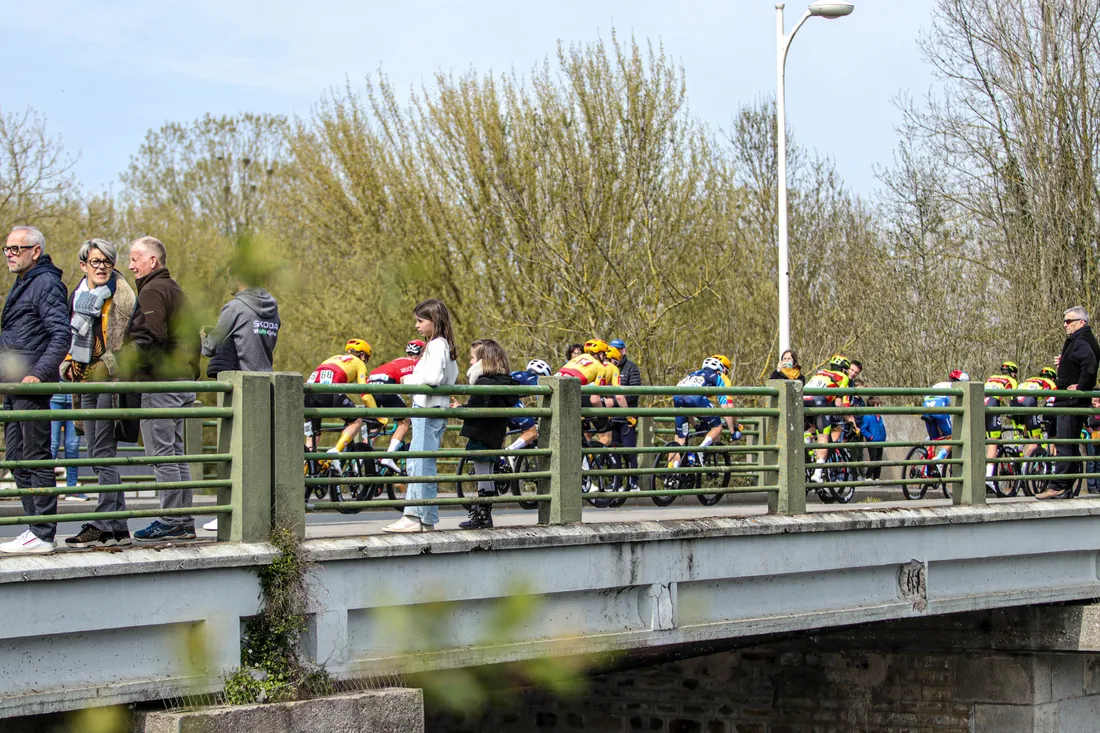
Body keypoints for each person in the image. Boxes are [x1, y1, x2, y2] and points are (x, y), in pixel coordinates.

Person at [59, 239, 138, 548]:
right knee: (97, 454)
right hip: (86, 382)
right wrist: (69, 364)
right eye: (96, 262)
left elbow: (131, 344)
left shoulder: (123, 295)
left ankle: (104, 523)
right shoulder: (78, 295)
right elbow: (70, 337)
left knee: (103, 454)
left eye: (107, 261)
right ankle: (118, 528)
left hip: (110, 382)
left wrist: (107, 364)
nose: (102, 267)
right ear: (84, 266)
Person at [0, 226, 71, 555]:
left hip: (30, 386)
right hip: (13, 386)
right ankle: (34, 530)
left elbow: (60, 335)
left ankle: (42, 531)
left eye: (18, 248)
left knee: (35, 457)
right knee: (16, 458)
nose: (11, 254)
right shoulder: (25, 283)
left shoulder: (45, 283)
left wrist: (39, 375)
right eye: (7, 249)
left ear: (36, 251)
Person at [127, 236, 202, 542]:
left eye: (135, 258)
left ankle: (171, 519)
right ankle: (182, 519)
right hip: (182, 380)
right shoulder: (175, 289)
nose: (130, 265)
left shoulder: (153, 289)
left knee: (162, 454)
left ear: (152, 261)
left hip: (161, 381)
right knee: (176, 452)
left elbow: (152, 336)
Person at [199, 275, 280, 532]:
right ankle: (265, 514)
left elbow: (209, 347)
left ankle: (231, 514)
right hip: (268, 383)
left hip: (243, 387)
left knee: (236, 455)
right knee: (262, 456)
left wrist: (204, 334)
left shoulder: (234, 307)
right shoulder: (272, 306)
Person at [383, 299, 458, 533]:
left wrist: (411, 379)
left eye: (420, 321)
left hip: (427, 411)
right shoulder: (445, 345)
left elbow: (434, 378)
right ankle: (424, 518)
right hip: (431, 411)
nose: (416, 326)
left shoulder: (436, 345)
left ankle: (415, 517)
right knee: (421, 463)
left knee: (420, 464)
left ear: (433, 321)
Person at [1037, 307, 1099, 499]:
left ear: (1082, 322)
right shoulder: (1083, 340)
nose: (1065, 324)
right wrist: (1063, 363)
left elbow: (1089, 363)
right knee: (1069, 444)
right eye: (1064, 321)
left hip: (1070, 403)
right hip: (1072, 401)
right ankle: (1066, 486)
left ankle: (1058, 485)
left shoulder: (1080, 340)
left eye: (1069, 321)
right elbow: (1082, 362)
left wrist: (1080, 387)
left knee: (1064, 443)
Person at [457, 339, 514, 530]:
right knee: (487, 473)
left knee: (483, 475)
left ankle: (482, 514)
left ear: (483, 361)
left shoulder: (483, 382)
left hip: (481, 434)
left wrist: (459, 409)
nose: (471, 363)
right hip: (495, 435)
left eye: (473, 358)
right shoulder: (505, 382)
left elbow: (475, 409)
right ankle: (484, 513)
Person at [304, 339, 377, 472]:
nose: (365, 361)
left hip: (309, 395)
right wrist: (378, 415)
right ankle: (335, 452)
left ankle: (308, 465)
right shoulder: (359, 363)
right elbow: (365, 393)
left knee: (313, 438)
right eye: (366, 358)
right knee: (356, 421)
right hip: (329, 392)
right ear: (362, 355)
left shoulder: (332, 358)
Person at [668, 355, 738, 468]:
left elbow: (686, 407)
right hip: (695, 398)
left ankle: (674, 472)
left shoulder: (691, 375)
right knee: (717, 427)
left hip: (677, 397)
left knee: (680, 438)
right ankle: (701, 449)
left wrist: (696, 425)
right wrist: (732, 432)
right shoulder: (717, 377)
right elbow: (725, 406)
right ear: (719, 371)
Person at [200, 276, 280, 372]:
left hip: (243, 381)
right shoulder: (273, 309)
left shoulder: (234, 308)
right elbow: (251, 336)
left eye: (227, 277)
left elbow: (209, 348)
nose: (227, 282)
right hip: (267, 379)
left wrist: (201, 337)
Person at [366, 339, 425, 471]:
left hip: (371, 382)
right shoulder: (419, 364)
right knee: (404, 422)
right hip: (387, 384)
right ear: (423, 352)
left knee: (374, 429)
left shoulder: (399, 360)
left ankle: (360, 460)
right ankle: (389, 456)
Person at [804, 355, 852, 484]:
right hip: (819, 401)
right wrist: (849, 418)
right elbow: (838, 402)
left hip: (803, 399)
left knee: (810, 427)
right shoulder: (843, 377)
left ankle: (806, 439)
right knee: (824, 438)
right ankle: (817, 475)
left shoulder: (820, 372)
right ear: (844, 370)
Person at [983, 361, 1020, 491]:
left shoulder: (991, 378)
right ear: (1013, 373)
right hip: (992, 404)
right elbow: (1014, 401)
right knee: (994, 442)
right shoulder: (1011, 380)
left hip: (979, 402)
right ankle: (989, 479)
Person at [610, 339, 642, 488]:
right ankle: (616, 482)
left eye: (618, 349)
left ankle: (633, 481)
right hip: (611, 417)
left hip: (627, 418)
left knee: (629, 451)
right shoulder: (608, 368)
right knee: (613, 452)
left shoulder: (631, 368)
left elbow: (634, 394)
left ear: (624, 351)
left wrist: (614, 401)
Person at [921, 369, 969, 462]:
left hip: (925, 407)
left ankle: (928, 470)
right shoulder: (957, 389)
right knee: (953, 436)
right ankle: (940, 459)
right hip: (939, 407)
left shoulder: (940, 384)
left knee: (933, 440)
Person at [505, 358, 552, 453]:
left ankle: (499, 458)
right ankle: (507, 452)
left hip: (495, 402)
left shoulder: (518, 374)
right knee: (532, 432)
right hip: (508, 401)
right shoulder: (534, 378)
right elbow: (541, 397)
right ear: (543, 375)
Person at [49, 392, 82, 499]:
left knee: (73, 446)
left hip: (75, 400)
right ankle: (48, 489)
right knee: (52, 445)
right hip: (53, 399)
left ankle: (72, 490)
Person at [1018, 367, 1057, 459]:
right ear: (1052, 378)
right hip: (1029, 405)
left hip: (1015, 402)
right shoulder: (1050, 383)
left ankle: (1018, 448)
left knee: (1027, 432)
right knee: (1036, 441)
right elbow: (1051, 403)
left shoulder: (1030, 379)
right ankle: (1026, 467)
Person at [859, 397, 887, 480]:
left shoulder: (879, 417)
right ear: (873, 405)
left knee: (879, 460)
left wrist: (884, 436)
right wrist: (870, 436)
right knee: (874, 459)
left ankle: (876, 477)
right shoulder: (868, 417)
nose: (879, 407)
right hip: (873, 441)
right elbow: (863, 429)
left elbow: (882, 427)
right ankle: (868, 476)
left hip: (880, 441)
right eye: (877, 405)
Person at [1086, 397, 1100, 495]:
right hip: (1092, 437)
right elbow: (1092, 422)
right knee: (1091, 462)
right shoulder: (1089, 408)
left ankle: (1098, 486)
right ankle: (1091, 486)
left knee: (1099, 462)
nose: (1096, 400)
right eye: (1094, 398)